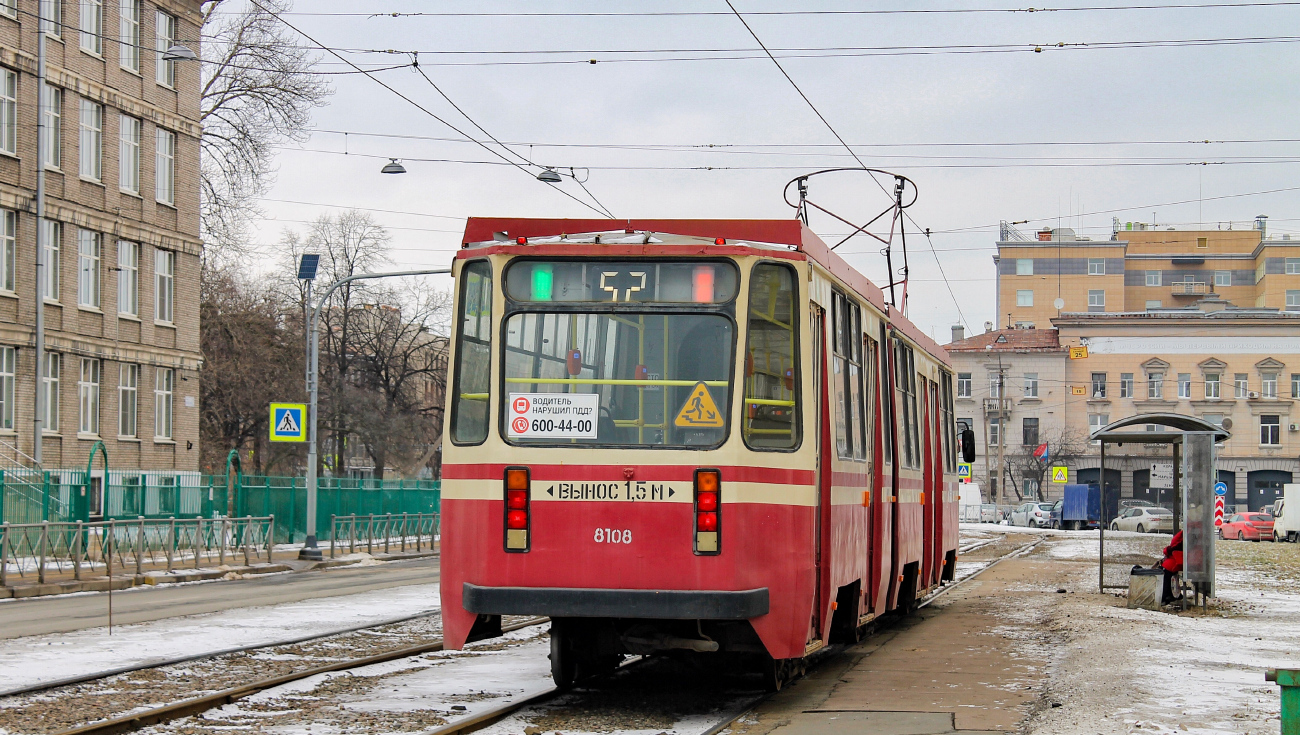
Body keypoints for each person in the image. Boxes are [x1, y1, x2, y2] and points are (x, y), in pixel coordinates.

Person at [1160, 529, 1183, 605]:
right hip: (1177, 557)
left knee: (1165, 571)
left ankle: (1166, 596)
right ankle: (1168, 594)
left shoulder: (1188, 533)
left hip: (1179, 558)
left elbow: (1177, 546)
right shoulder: (1188, 532)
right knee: (1163, 570)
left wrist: (1167, 550)